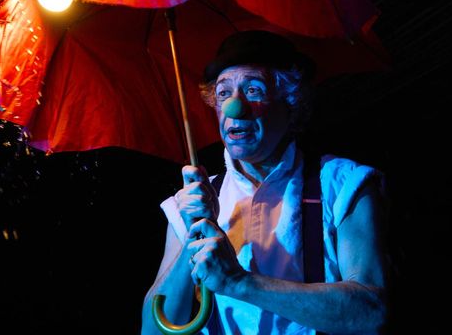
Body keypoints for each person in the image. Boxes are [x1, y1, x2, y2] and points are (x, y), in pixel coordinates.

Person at [141, 30, 389, 334]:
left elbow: (371, 313)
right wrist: (190, 243)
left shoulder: (343, 184)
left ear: (291, 103)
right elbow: (152, 330)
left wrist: (238, 282)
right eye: (223, 93)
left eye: (253, 90)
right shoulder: (193, 201)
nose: (234, 107)